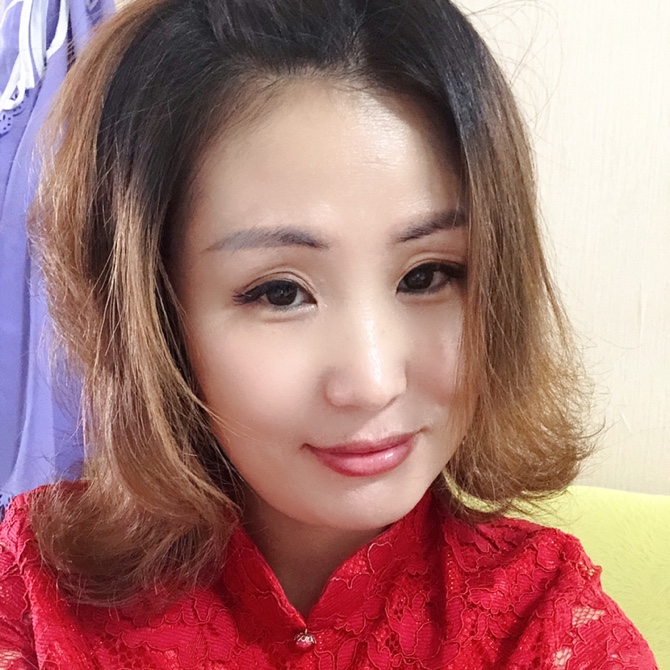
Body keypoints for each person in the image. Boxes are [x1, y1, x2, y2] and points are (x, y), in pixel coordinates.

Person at [0, 0, 658, 667]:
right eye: (280, 292)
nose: (372, 383)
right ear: (154, 312)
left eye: (427, 276)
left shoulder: (549, 625)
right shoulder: (35, 596)